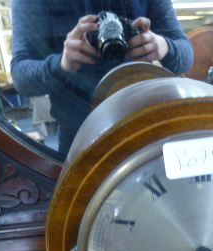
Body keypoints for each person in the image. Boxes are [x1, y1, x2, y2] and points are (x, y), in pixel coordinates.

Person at [11, 0, 193, 159]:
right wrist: (61, 64)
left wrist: (165, 46)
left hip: (144, 130)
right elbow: (21, 76)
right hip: (82, 139)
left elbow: (185, 54)